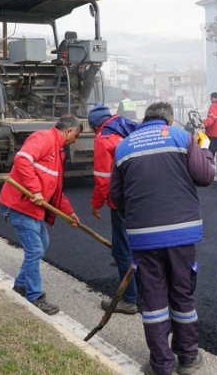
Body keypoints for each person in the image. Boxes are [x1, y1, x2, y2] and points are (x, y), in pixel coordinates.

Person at [110, 102, 214, 375]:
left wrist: (137, 217)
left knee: (153, 302)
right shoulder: (183, 138)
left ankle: (161, 364)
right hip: (181, 235)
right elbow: (205, 177)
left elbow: (116, 197)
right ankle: (188, 358)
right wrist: (205, 149)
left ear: (144, 119)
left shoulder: (123, 146)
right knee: (182, 295)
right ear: (168, 121)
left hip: (143, 239)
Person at [0, 114, 83, 316]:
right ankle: (34, 296)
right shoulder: (44, 138)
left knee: (41, 245)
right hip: (19, 206)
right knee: (35, 249)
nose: (75, 140)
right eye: (76, 135)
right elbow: (22, 159)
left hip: (33, 209)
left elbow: (55, 188)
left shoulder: (59, 151)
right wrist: (35, 190)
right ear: (69, 131)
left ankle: (20, 285)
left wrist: (69, 212)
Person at [87, 103, 139, 315]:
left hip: (122, 201)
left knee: (122, 250)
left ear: (94, 125)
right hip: (143, 197)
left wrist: (96, 205)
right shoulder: (128, 129)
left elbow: (103, 179)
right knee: (145, 246)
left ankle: (128, 299)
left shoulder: (103, 138)